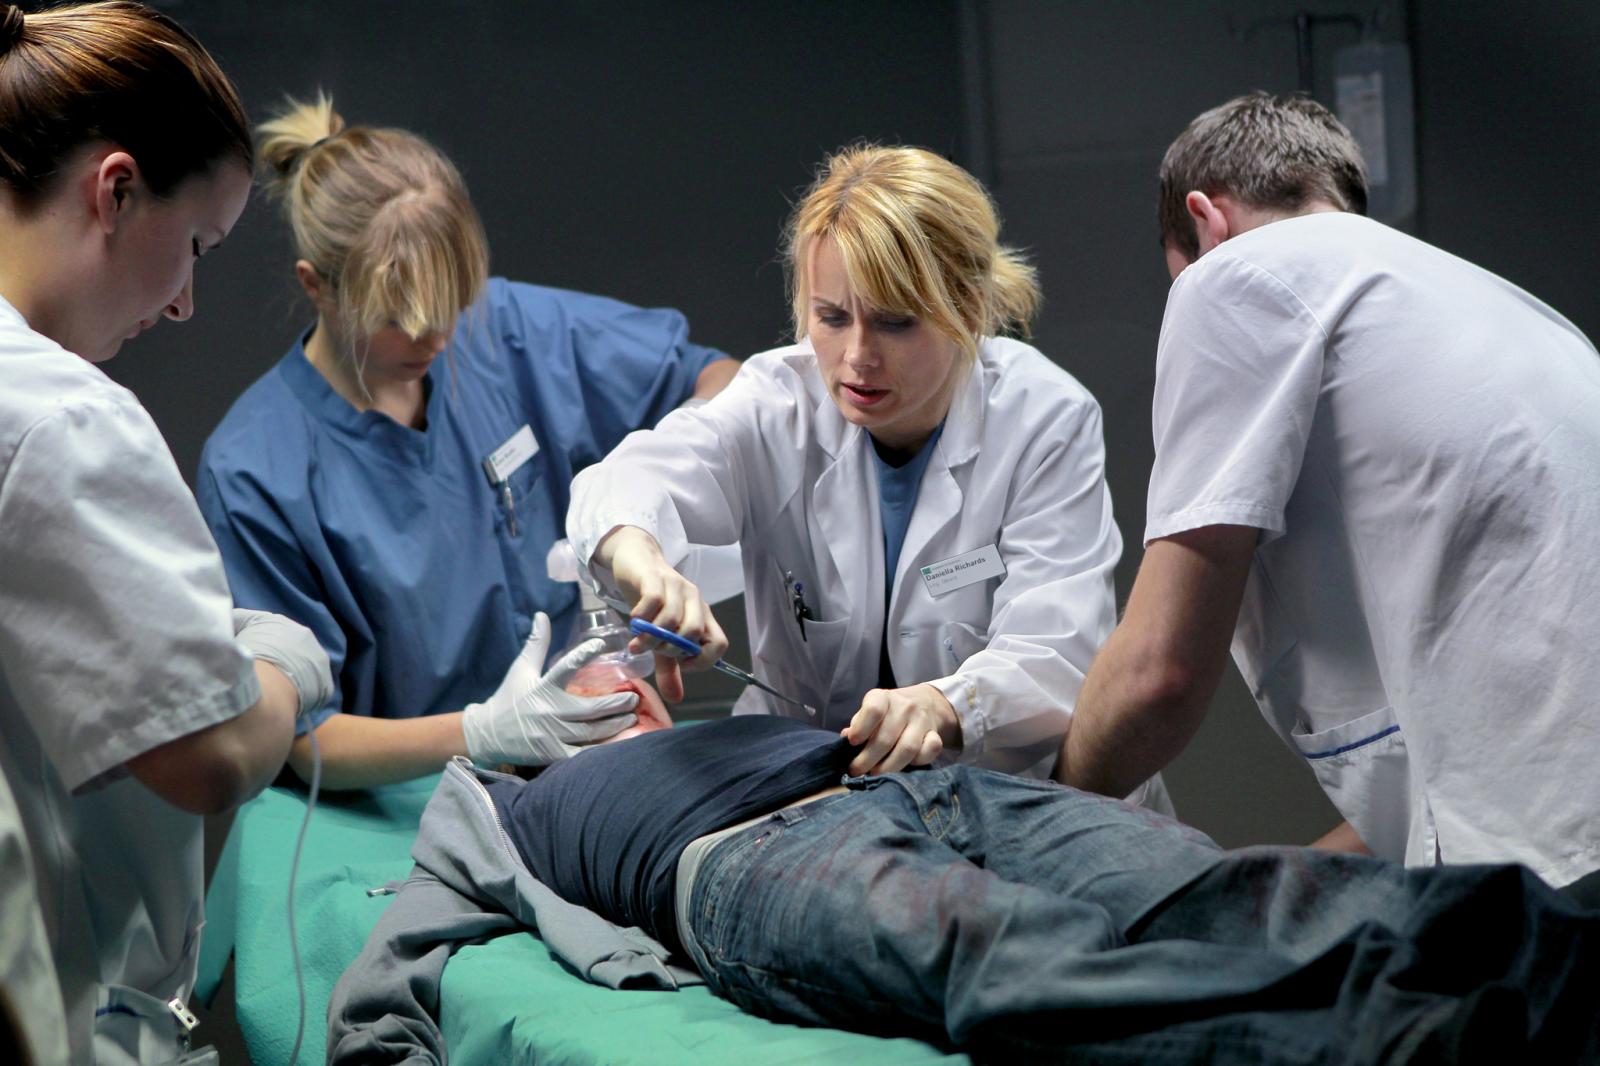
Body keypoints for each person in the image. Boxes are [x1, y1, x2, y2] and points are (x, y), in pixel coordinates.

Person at [328, 714, 1598, 1064]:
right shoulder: (498, 801)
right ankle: (1429, 1038)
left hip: (926, 786)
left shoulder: (731, 714)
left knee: (1221, 886)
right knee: (1013, 958)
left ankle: (1560, 956)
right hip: (746, 866)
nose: (617, 675)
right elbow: (383, 977)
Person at [1056, 92, 1600, 889]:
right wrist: (1270, 884)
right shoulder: (1515, 309)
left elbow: (1159, 672)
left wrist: (1048, 815)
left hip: (1557, 881)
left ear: (1206, 220)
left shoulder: (1232, 276)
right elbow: (1488, 761)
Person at [569, 145, 1159, 794]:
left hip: (1003, 789)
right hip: (812, 795)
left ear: (968, 308)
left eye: (894, 323)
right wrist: (644, 561)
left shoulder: (1042, 418)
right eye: (831, 317)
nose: (856, 356)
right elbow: (631, 478)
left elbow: (1056, 649)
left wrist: (945, 704)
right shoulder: (779, 401)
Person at [197, 96, 741, 790]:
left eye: (451, 304)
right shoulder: (255, 472)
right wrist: (485, 731)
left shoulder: (504, 328)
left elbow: (717, 379)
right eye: (398, 317)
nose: (436, 338)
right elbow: (306, 739)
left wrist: (644, 525)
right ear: (318, 288)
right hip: (408, 799)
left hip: (584, 747)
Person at [0, 3, 336, 1061]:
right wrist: (282, 665)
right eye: (195, 245)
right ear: (115, 189)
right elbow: (212, 758)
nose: (186, 302)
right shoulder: (59, 413)